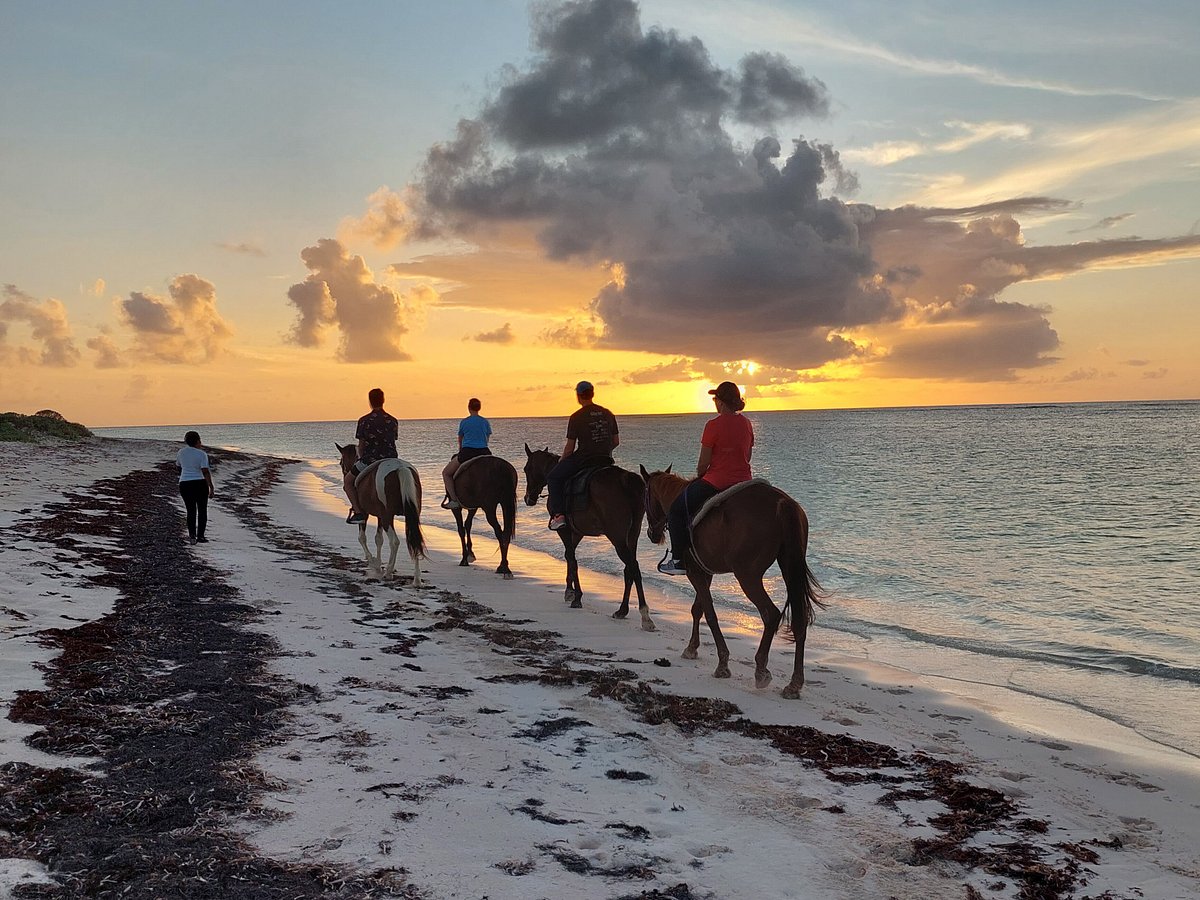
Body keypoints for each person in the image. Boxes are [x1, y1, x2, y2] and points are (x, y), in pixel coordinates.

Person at [658, 381, 754, 575]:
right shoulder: (746, 423)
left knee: (676, 511)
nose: (714, 402)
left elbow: (703, 465)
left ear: (720, 401)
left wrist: (702, 475)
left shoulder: (712, 425)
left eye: (715, 398)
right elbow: (747, 456)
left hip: (717, 482)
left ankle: (678, 561)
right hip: (745, 482)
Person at [546, 380, 619, 531]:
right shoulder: (608, 413)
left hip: (585, 459)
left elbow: (570, 448)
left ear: (578, 396)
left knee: (553, 477)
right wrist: (604, 449)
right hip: (605, 459)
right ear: (592, 394)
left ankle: (559, 516)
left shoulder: (577, 417)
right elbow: (616, 441)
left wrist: (561, 460)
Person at [344, 387, 399, 524]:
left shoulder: (363, 421)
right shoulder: (393, 420)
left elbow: (361, 445)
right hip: (391, 459)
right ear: (383, 400)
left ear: (370, 401)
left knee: (348, 482)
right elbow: (392, 441)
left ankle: (358, 512)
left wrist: (361, 457)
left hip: (370, 459)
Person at [442, 397, 493, 510]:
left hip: (468, 452)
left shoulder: (464, 422)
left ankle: (454, 500)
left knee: (446, 473)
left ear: (469, 408)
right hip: (485, 452)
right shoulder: (485, 421)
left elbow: (460, 439)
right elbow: (487, 437)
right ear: (479, 408)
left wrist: (461, 450)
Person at [177, 431, 215, 544]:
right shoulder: (201, 454)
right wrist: (211, 487)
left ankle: (192, 535)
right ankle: (201, 536)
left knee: (191, 510)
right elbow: (205, 471)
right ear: (198, 441)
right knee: (202, 510)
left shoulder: (181, 452)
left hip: (185, 483)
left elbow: (178, 466)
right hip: (199, 483)